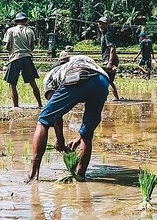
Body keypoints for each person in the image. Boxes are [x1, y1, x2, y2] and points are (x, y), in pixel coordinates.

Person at [26, 53, 110, 182]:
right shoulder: (82, 59)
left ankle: (32, 174)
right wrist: (80, 137)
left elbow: (54, 115)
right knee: (87, 134)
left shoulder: (52, 74)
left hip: (77, 76)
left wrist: (60, 140)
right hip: (102, 81)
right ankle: (80, 175)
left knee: (43, 121)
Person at [3, 12, 43, 108]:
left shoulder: (11, 30)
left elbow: (7, 46)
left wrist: (10, 51)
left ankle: (16, 106)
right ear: (25, 21)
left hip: (15, 58)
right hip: (27, 57)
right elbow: (32, 47)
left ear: (16, 21)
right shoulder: (30, 31)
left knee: (12, 84)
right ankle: (40, 104)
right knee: (32, 82)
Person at [97, 17, 121, 100]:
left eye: (103, 23)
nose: (101, 25)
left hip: (110, 59)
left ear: (107, 25)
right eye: (100, 23)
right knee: (108, 80)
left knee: (106, 79)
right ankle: (116, 98)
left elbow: (112, 48)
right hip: (107, 59)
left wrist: (110, 62)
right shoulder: (104, 34)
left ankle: (104, 97)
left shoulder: (107, 35)